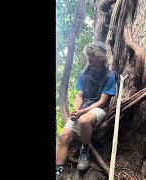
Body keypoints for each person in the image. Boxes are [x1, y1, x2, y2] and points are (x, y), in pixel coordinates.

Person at [56, 41, 116, 178]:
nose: (89, 58)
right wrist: (76, 109)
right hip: (83, 108)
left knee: (83, 121)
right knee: (63, 136)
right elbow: (79, 95)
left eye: (92, 55)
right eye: (88, 55)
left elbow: (102, 101)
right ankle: (58, 172)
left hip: (99, 108)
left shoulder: (109, 76)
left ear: (100, 57)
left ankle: (85, 150)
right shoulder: (83, 74)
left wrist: (82, 113)